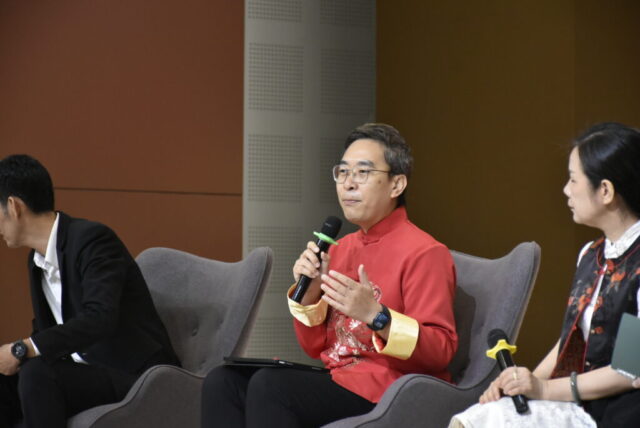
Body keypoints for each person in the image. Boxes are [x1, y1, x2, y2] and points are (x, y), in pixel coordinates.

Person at [201, 123, 458, 427]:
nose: (348, 183)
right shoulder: (341, 248)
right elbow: (314, 347)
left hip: (388, 390)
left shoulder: (425, 252)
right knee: (222, 381)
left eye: (363, 172)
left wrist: (377, 316)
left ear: (396, 185)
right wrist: (311, 293)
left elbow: (440, 350)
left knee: (271, 386)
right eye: (343, 172)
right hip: (338, 378)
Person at [450, 122, 640, 428]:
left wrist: (544, 389)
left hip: (621, 410)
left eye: (573, 179)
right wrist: (520, 384)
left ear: (605, 190)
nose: (565, 190)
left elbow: (629, 369)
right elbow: (571, 337)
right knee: (474, 418)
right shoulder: (592, 254)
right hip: (579, 400)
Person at [0, 155, 179, 428]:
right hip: (83, 373)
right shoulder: (36, 261)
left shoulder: (93, 240)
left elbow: (100, 318)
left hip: (135, 375)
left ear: (14, 206)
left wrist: (22, 349)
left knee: (37, 373)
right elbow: (48, 330)